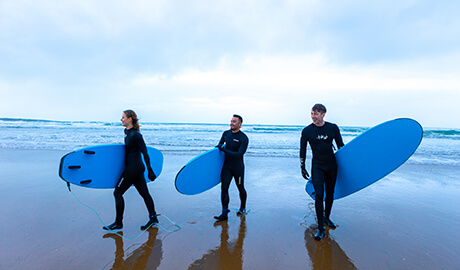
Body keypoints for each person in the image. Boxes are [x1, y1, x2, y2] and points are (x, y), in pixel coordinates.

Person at [103, 109, 158, 231]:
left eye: (123, 117)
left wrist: (150, 170)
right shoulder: (127, 132)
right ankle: (153, 217)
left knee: (117, 192)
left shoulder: (136, 135)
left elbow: (145, 152)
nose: (121, 119)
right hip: (135, 169)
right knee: (145, 194)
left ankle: (118, 222)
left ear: (129, 119)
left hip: (134, 169)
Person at [300, 104, 344, 240]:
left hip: (331, 165)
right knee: (319, 195)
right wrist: (302, 166)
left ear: (323, 114)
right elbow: (303, 150)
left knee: (330, 193)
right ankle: (320, 228)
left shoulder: (332, 128)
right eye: (312, 113)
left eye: (316, 114)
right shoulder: (307, 131)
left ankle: (327, 217)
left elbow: (341, 146)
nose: (313, 116)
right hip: (317, 166)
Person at [214, 114, 249, 221]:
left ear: (240, 124)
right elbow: (218, 147)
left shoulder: (243, 138)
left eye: (234, 121)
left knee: (240, 188)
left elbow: (239, 154)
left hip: (238, 168)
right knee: (224, 189)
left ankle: (242, 207)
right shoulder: (225, 134)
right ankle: (224, 213)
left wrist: (224, 150)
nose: (231, 123)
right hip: (227, 167)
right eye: (231, 121)